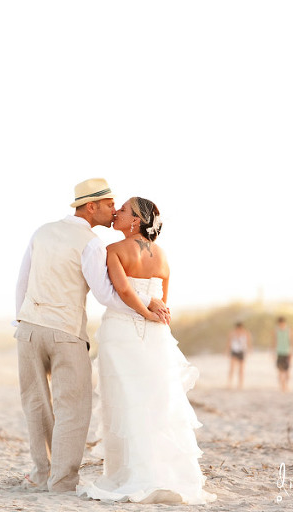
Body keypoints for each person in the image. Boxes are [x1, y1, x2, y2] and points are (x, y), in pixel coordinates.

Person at [15, 179, 170, 493]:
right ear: (92, 206)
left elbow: (23, 280)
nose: (113, 210)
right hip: (66, 332)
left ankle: (42, 473)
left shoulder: (41, 231)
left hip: (28, 329)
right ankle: (61, 481)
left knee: (35, 403)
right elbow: (107, 293)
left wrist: (19, 322)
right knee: (73, 407)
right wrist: (145, 309)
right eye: (110, 204)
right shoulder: (92, 243)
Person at [77, 197, 217, 504]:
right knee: (157, 401)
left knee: (125, 401)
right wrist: (153, 311)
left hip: (122, 332)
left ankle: (128, 474)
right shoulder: (163, 256)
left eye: (124, 210)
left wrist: (143, 311)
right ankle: (165, 472)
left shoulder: (112, 250)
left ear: (136, 221)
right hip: (157, 336)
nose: (117, 213)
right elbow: (163, 301)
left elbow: (123, 291)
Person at [272, 316, 293, 392]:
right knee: (280, 370)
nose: (281, 325)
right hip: (279, 352)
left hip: (287, 352)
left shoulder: (289, 330)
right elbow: (274, 341)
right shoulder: (276, 330)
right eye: (280, 324)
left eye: (282, 323)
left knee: (287, 371)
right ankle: (282, 386)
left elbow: (292, 341)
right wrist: (273, 352)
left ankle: (286, 385)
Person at [226, 321, 252, 389]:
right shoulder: (232, 333)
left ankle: (240, 384)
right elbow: (229, 342)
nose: (239, 329)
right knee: (232, 368)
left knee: (241, 370)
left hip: (242, 352)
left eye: (240, 328)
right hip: (234, 351)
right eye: (238, 328)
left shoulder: (246, 333)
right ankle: (229, 383)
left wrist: (249, 350)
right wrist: (227, 351)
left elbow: (248, 342)